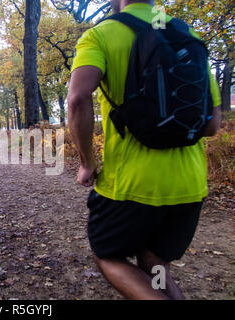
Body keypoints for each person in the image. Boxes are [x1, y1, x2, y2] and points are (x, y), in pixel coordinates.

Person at [68, 0, 222, 300]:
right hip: (190, 186)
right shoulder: (187, 33)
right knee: (155, 262)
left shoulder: (101, 34)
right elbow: (213, 123)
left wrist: (87, 163)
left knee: (107, 255)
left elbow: (77, 98)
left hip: (130, 189)